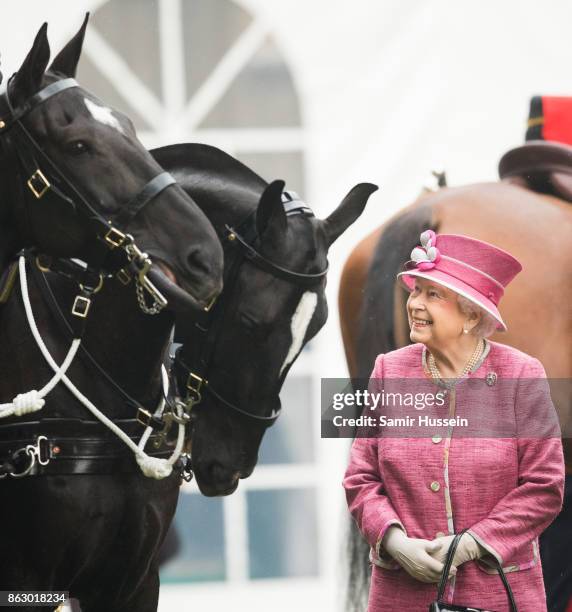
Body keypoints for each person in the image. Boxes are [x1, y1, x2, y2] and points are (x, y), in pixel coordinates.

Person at [343, 230, 565, 611]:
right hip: (400, 597)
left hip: (498, 596)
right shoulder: (388, 370)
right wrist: (394, 541)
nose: (414, 304)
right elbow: (360, 478)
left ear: (472, 315)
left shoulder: (521, 374)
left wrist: (469, 545)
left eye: (433, 295)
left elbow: (545, 486)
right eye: (415, 291)